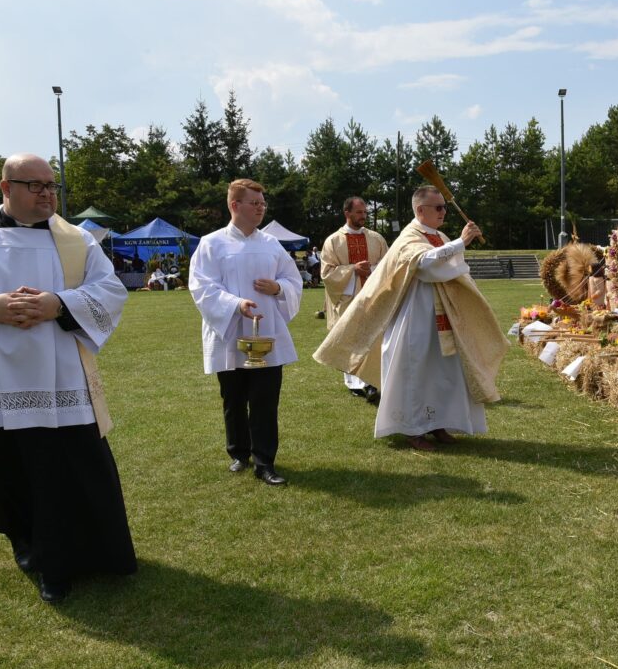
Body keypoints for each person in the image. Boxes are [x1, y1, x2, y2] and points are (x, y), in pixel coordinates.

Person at [0, 153, 136, 603]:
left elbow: (110, 289)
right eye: (35, 186)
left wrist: (59, 304)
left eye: (51, 186)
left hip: (64, 380)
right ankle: (30, 545)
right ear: (6, 188)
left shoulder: (77, 241)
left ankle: (86, 557)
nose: (47, 194)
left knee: (70, 471)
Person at [314, 185, 509, 451]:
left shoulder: (438, 234)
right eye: (438, 207)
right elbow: (426, 265)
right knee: (415, 372)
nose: (443, 212)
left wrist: (457, 248)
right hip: (414, 318)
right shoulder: (409, 236)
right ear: (420, 210)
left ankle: (438, 423)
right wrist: (460, 243)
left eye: (444, 207)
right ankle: (412, 429)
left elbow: (451, 266)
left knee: (443, 371)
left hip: (442, 315)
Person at [189, 179, 302, 485]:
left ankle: (265, 462)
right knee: (234, 397)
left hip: (266, 333)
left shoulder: (271, 244)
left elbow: (294, 279)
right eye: (255, 203)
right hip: (229, 332)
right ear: (234, 205)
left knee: (265, 399)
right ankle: (239, 452)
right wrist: (236, 304)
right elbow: (201, 286)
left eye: (263, 204)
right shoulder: (212, 243)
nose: (260, 209)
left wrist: (279, 287)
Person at [320, 196, 389, 402]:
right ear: (347, 213)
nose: (363, 216)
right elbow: (327, 273)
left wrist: (372, 269)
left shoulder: (376, 239)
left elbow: (388, 266)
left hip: (373, 298)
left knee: (373, 338)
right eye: (359, 212)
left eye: (365, 212)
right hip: (348, 299)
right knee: (351, 339)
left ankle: (372, 380)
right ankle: (355, 383)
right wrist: (353, 270)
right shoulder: (333, 241)